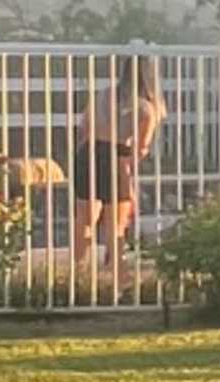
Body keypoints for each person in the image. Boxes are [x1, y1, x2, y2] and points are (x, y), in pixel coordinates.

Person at [72, 59, 169, 271]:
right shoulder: (146, 108)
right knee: (115, 224)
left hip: (87, 153)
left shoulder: (103, 94)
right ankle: (115, 274)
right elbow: (141, 147)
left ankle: (77, 272)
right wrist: (128, 172)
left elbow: (84, 126)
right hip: (116, 156)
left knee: (85, 219)